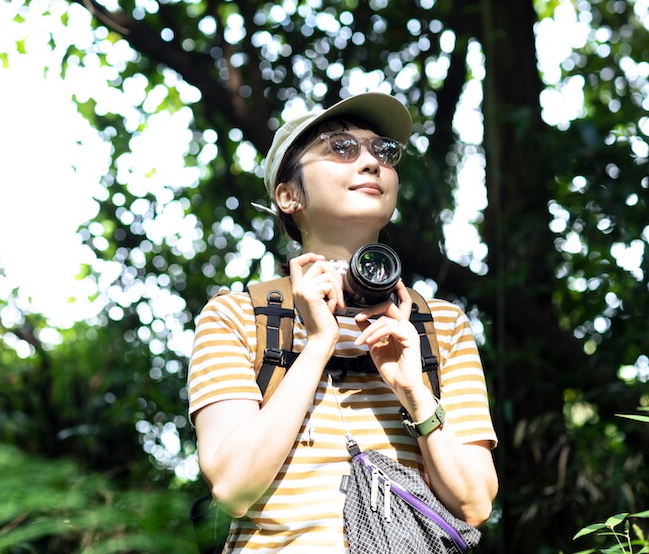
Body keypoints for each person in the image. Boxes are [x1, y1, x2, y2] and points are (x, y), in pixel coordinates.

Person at [187, 92, 499, 552]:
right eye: (341, 147)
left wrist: (414, 392)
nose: (371, 162)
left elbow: (475, 505)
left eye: (384, 152)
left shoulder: (440, 325)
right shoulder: (236, 316)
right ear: (288, 195)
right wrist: (317, 346)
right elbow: (234, 488)